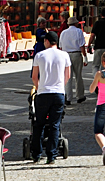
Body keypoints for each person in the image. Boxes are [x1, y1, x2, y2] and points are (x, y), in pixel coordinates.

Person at [31, 30, 71, 164]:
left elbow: (34, 76)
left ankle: (36, 154)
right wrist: (61, 86)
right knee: (55, 125)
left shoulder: (39, 55)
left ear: (47, 41)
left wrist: (38, 87)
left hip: (43, 93)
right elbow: (68, 75)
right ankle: (51, 155)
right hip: (58, 93)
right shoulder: (64, 55)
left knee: (39, 124)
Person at [59, 16, 87, 106]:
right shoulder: (78, 31)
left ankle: (68, 97)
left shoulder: (63, 33)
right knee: (78, 76)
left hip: (65, 55)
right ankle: (80, 96)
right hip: (76, 54)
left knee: (67, 77)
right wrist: (85, 57)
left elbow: (60, 47)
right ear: (75, 23)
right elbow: (82, 45)